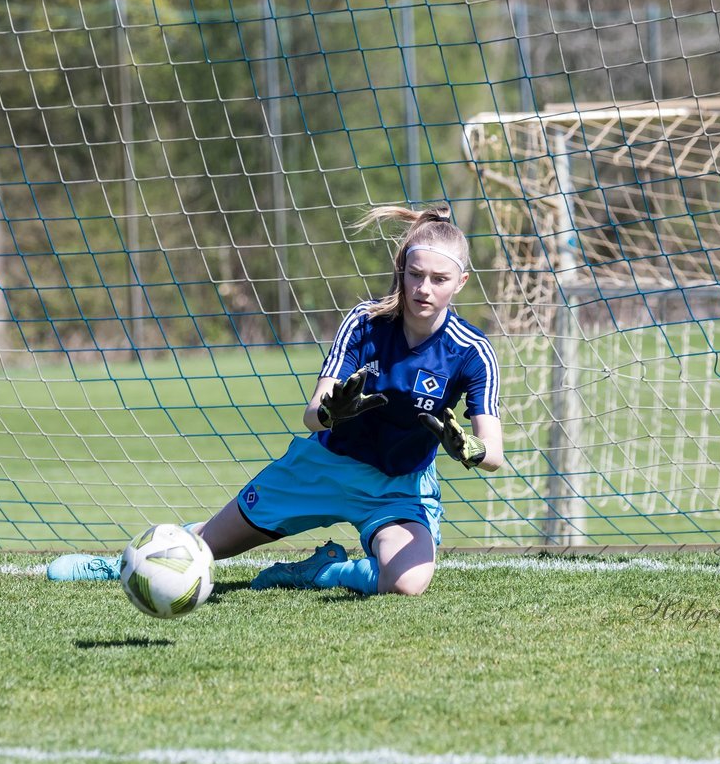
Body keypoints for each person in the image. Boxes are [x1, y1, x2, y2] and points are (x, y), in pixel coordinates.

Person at [47, 203, 503, 595]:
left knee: (406, 584)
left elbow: (494, 454)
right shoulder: (365, 322)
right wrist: (331, 412)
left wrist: (473, 450)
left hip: (398, 488)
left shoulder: (472, 351)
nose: (424, 288)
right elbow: (312, 415)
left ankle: (326, 570)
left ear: (460, 282)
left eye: (438, 279)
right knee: (206, 546)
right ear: (401, 270)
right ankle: (121, 566)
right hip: (322, 468)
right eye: (416, 274)